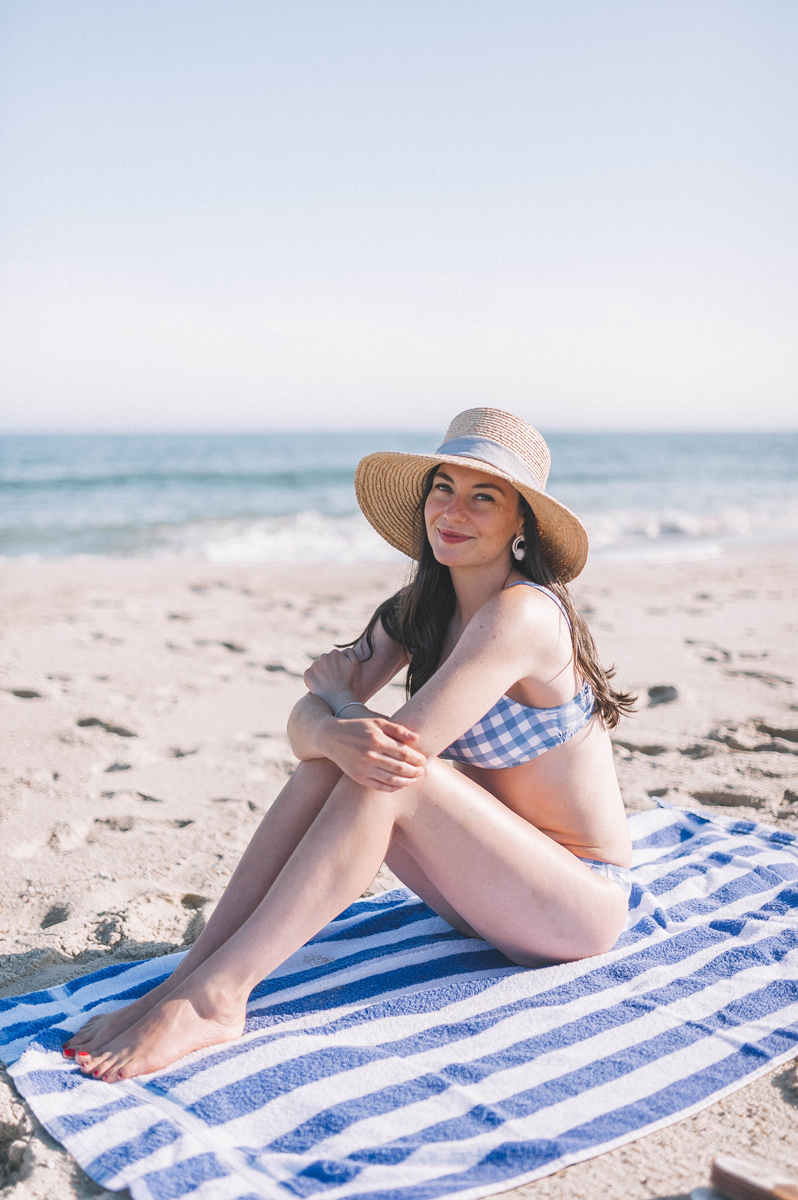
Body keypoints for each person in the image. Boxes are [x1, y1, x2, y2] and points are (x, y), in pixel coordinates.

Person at [64, 407, 635, 1083]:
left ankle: (221, 998)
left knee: (387, 772)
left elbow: (401, 749)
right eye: (443, 489)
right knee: (329, 770)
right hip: (491, 891)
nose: (453, 510)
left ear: (521, 526)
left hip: (575, 907)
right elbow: (303, 732)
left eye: (485, 497)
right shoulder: (419, 609)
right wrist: (331, 726)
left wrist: (339, 707)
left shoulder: (523, 614)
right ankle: (191, 980)